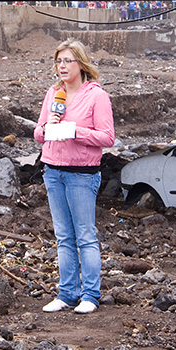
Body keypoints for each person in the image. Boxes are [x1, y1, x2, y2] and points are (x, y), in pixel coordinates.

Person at [33, 39, 115, 314]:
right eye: (58, 61)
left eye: (68, 61)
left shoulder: (96, 96)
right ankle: (67, 293)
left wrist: (75, 131)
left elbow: (107, 137)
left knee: (85, 236)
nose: (62, 66)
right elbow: (37, 134)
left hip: (82, 174)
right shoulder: (53, 94)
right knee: (63, 236)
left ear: (81, 64)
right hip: (53, 170)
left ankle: (90, 295)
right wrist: (48, 127)